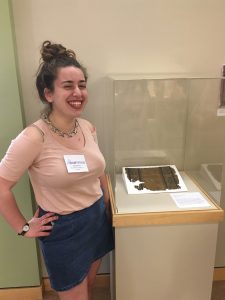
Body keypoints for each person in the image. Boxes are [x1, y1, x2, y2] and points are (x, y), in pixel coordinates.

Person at [0, 40, 114, 300]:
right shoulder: (32, 137)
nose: (78, 92)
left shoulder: (87, 127)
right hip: (63, 229)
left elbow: (98, 172)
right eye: (68, 86)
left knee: (88, 287)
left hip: (96, 218)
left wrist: (108, 207)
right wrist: (24, 228)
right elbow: (1, 185)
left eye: (82, 85)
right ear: (48, 94)